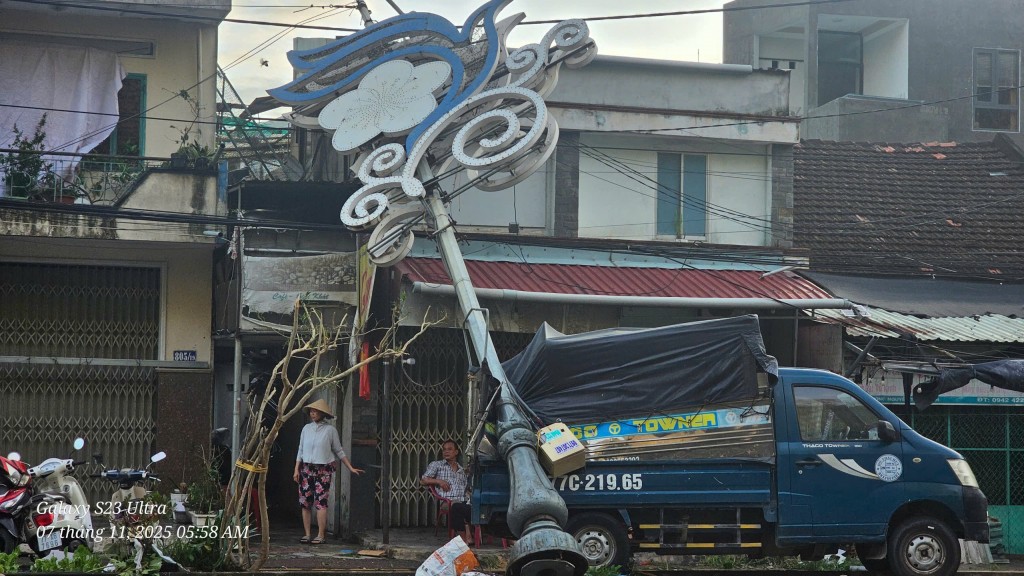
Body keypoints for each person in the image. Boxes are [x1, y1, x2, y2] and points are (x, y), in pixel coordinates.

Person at [293, 398, 363, 544]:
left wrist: (350, 467)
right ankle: (307, 534)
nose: (313, 414)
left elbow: (339, 451)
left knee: (321, 503)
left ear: (322, 414)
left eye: (315, 411)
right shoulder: (306, 429)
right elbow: (300, 449)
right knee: (305, 502)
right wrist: (296, 469)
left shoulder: (330, 430)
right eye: (311, 411)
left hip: (323, 470)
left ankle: (320, 535)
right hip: (306, 469)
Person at [420, 439, 472, 545]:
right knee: (457, 507)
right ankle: (464, 539)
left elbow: (466, 488)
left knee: (475, 508)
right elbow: (423, 480)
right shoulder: (437, 465)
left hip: (464, 500)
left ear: (456, 452)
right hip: (448, 502)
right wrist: (438, 481)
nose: (446, 452)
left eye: (449, 449)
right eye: (444, 450)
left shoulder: (461, 470)